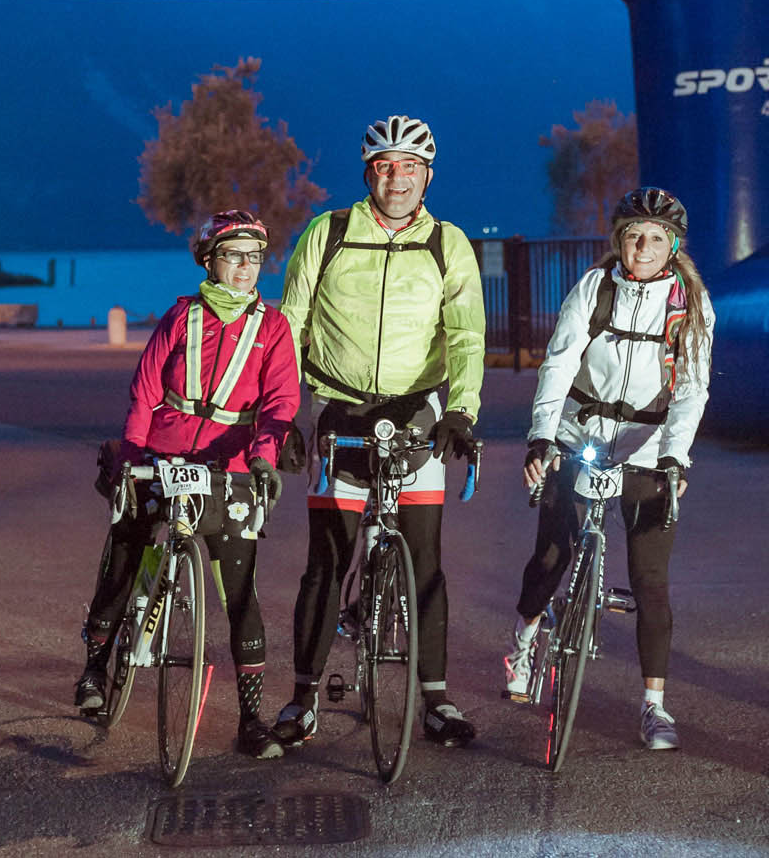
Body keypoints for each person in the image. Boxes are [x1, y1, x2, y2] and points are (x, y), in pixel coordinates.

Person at [270, 114, 486, 750]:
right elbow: (289, 325)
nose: (398, 178)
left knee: (425, 565)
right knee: (325, 565)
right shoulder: (328, 233)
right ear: (369, 174)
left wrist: (461, 411)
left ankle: (436, 700)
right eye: (386, 166)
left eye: (410, 166)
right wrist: (283, 415)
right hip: (338, 411)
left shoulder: (448, 243)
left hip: (417, 413)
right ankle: (302, 698)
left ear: (427, 176)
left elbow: (467, 335)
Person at [73, 211, 300, 759]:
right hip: (162, 455)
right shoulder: (181, 316)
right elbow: (146, 390)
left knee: (240, 592)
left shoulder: (273, 327)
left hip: (233, 466)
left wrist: (264, 459)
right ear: (208, 261)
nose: (245, 267)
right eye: (232, 256)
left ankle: (251, 720)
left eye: (253, 257)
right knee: (126, 549)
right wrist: (132, 457)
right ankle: (95, 668)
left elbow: (281, 403)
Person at [503, 187, 714, 751]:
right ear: (619, 240)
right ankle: (523, 643)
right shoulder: (594, 288)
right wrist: (542, 436)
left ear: (673, 246)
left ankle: (655, 706)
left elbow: (692, 389)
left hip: (647, 447)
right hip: (580, 434)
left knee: (650, 580)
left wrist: (674, 457)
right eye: (633, 236)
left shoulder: (691, 304)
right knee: (552, 555)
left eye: (656, 238)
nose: (643, 248)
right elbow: (558, 363)